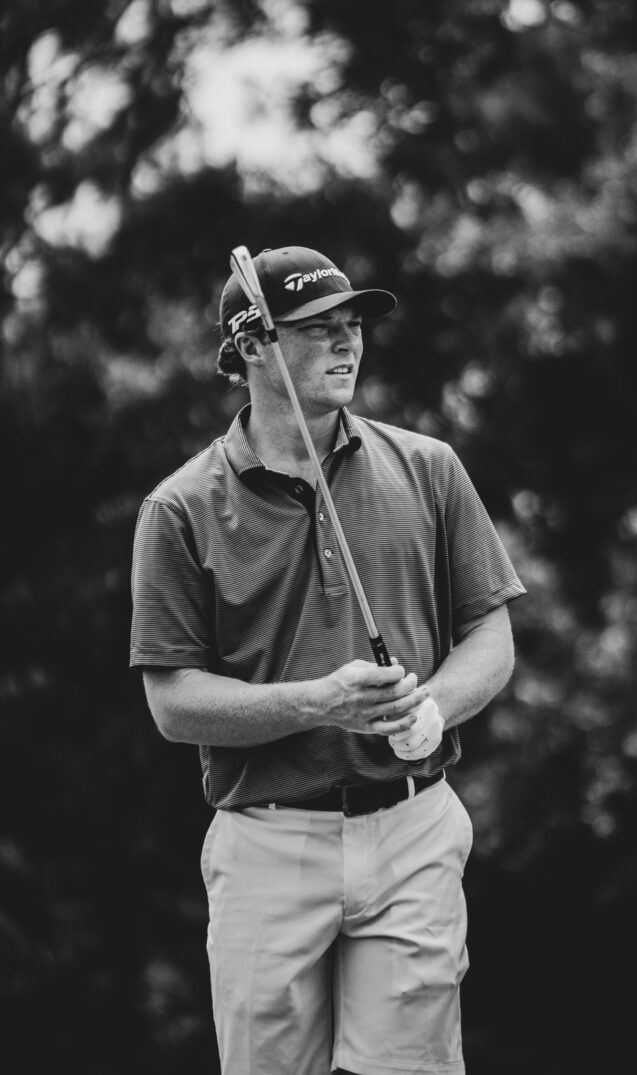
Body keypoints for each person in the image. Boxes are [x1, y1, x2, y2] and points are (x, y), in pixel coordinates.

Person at [130, 244, 526, 1075]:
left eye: (353, 326)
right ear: (250, 348)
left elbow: (490, 634)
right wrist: (319, 702)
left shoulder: (428, 467)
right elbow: (173, 702)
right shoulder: (179, 508)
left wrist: (435, 707)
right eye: (318, 329)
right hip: (268, 843)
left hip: (412, 825)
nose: (348, 343)